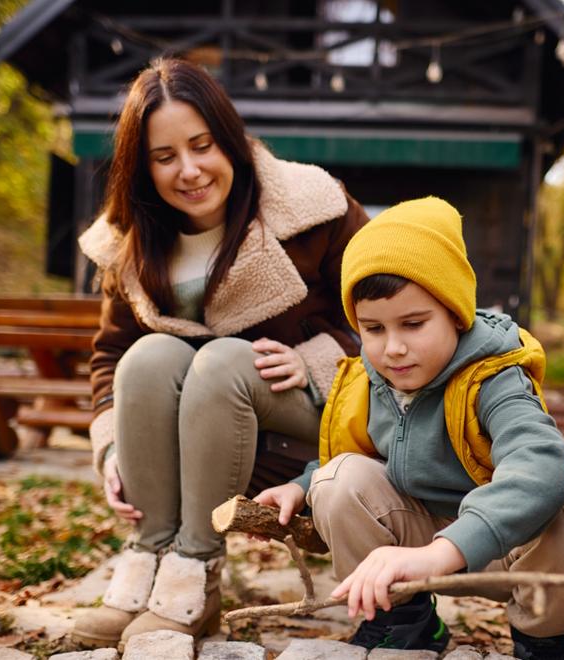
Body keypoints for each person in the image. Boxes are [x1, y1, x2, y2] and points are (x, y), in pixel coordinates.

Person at [71, 57, 368, 649]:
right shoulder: (131, 243)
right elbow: (110, 357)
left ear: (228, 139)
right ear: (142, 166)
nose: (189, 170)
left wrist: (317, 359)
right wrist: (110, 449)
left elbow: (386, 312)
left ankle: (196, 572)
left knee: (223, 360)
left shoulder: (315, 209)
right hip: (188, 440)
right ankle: (153, 562)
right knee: (149, 357)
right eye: (164, 157)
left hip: (302, 431)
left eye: (202, 145)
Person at [255, 197, 564, 659]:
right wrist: (300, 487)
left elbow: (541, 467)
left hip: (505, 549)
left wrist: (445, 551)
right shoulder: (372, 380)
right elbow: (362, 455)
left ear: (456, 313)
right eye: (373, 329)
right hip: (409, 544)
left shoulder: (494, 377)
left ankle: (540, 636)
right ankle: (402, 620)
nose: (393, 348)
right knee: (336, 479)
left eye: (413, 324)